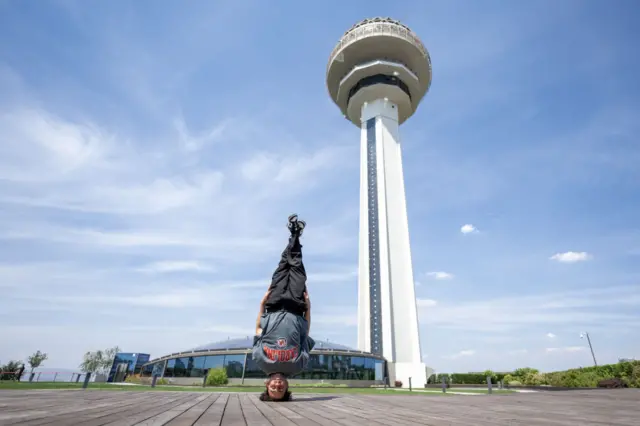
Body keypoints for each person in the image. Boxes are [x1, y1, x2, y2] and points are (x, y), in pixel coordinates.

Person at [252, 214, 315, 402]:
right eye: (280, 389)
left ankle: (294, 234)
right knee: (296, 269)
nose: (277, 386)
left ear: (266, 385)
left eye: (274, 389)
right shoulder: (298, 366)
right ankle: (295, 234)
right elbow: (305, 334)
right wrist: (309, 308)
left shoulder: (261, 362)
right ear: (287, 387)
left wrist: (262, 304)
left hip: (273, 306)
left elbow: (258, 330)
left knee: (281, 267)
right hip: (297, 307)